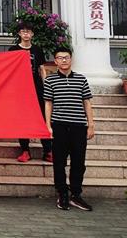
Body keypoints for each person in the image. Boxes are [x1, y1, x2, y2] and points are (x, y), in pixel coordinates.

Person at [44, 47, 95, 212]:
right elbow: (48, 103)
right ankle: (62, 194)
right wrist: (48, 125)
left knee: (78, 162)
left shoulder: (81, 79)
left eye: (66, 57)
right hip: (59, 126)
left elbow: (87, 102)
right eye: (60, 58)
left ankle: (76, 195)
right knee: (59, 162)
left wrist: (91, 124)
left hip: (78, 126)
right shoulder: (50, 80)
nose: (64, 60)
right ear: (55, 61)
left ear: (71, 59)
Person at [9, 23, 52, 163]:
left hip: (37, 88)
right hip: (20, 89)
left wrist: (46, 85)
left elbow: (41, 69)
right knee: (22, 119)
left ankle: (48, 151)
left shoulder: (37, 50)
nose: (26, 34)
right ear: (19, 34)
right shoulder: (13, 50)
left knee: (42, 117)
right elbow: (9, 70)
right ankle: (25, 150)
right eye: (23, 31)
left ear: (32, 34)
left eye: (28, 31)